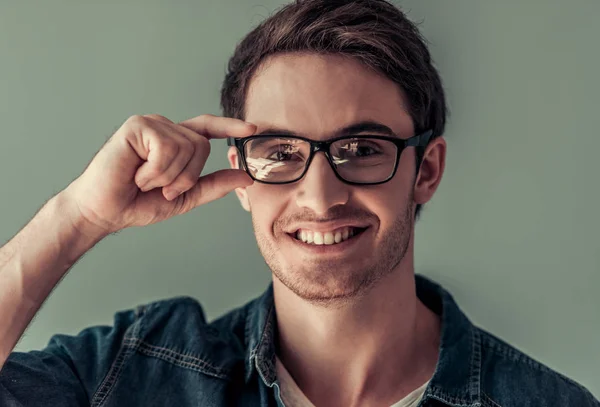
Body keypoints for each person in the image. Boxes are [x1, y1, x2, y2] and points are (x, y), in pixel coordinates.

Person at [0, 0, 597, 406]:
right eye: (280, 152)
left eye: (362, 147)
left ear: (426, 170)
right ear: (240, 171)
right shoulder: (137, 369)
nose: (320, 194)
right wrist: (77, 217)